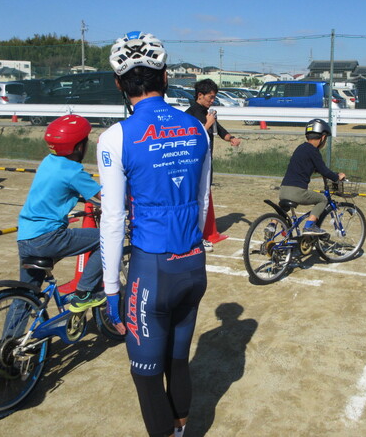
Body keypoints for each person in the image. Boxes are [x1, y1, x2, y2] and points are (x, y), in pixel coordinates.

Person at [98, 31, 212, 437]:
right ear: (165, 78)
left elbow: (112, 218)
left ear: (119, 84)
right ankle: (181, 430)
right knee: (178, 360)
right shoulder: (197, 129)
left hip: (151, 269)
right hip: (192, 262)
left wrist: (112, 289)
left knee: (146, 374)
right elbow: (201, 204)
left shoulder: (114, 136)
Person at [17, 114, 106, 311]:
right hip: (49, 238)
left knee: (26, 294)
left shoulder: (48, 161)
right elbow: (106, 196)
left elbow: (60, 190)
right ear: (80, 146)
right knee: (107, 238)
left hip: (26, 237)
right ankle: (85, 291)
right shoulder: (73, 171)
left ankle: (11, 339)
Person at [185, 78, 241, 252]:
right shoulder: (190, 114)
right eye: (210, 97)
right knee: (197, 199)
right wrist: (208, 123)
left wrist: (231, 138)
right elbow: (192, 136)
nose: (212, 100)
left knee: (204, 197)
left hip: (206, 161)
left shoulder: (208, 112)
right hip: (193, 162)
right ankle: (196, 236)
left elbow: (219, 129)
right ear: (200, 95)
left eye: (214, 97)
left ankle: (201, 233)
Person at [279, 118, 345, 236]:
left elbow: (306, 166)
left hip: (283, 190)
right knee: (322, 200)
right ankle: (310, 226)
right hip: (297, 192)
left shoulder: (300, 148)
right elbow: (324, 170)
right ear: (323, 137)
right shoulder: (314, 151)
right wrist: (337, 176)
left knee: (285, 209)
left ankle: (272, 224)